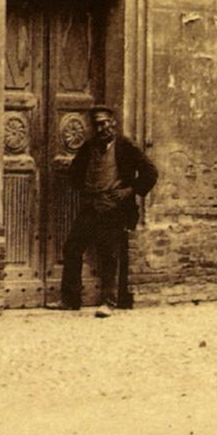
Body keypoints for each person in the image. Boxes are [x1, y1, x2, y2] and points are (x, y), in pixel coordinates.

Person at [59, 105, 158, 311]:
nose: (101, 128)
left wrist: (129, 191)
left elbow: (150, 172)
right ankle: (71, 300)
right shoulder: (89, 147)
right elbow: (75, 173)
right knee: (72, 248)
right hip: (91, 206)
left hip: (114, 209)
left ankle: (108, 302)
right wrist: (86, 189)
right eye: (97, 125)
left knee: (109, 254)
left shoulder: (125, 146)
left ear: (113, 123)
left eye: (104, 123)